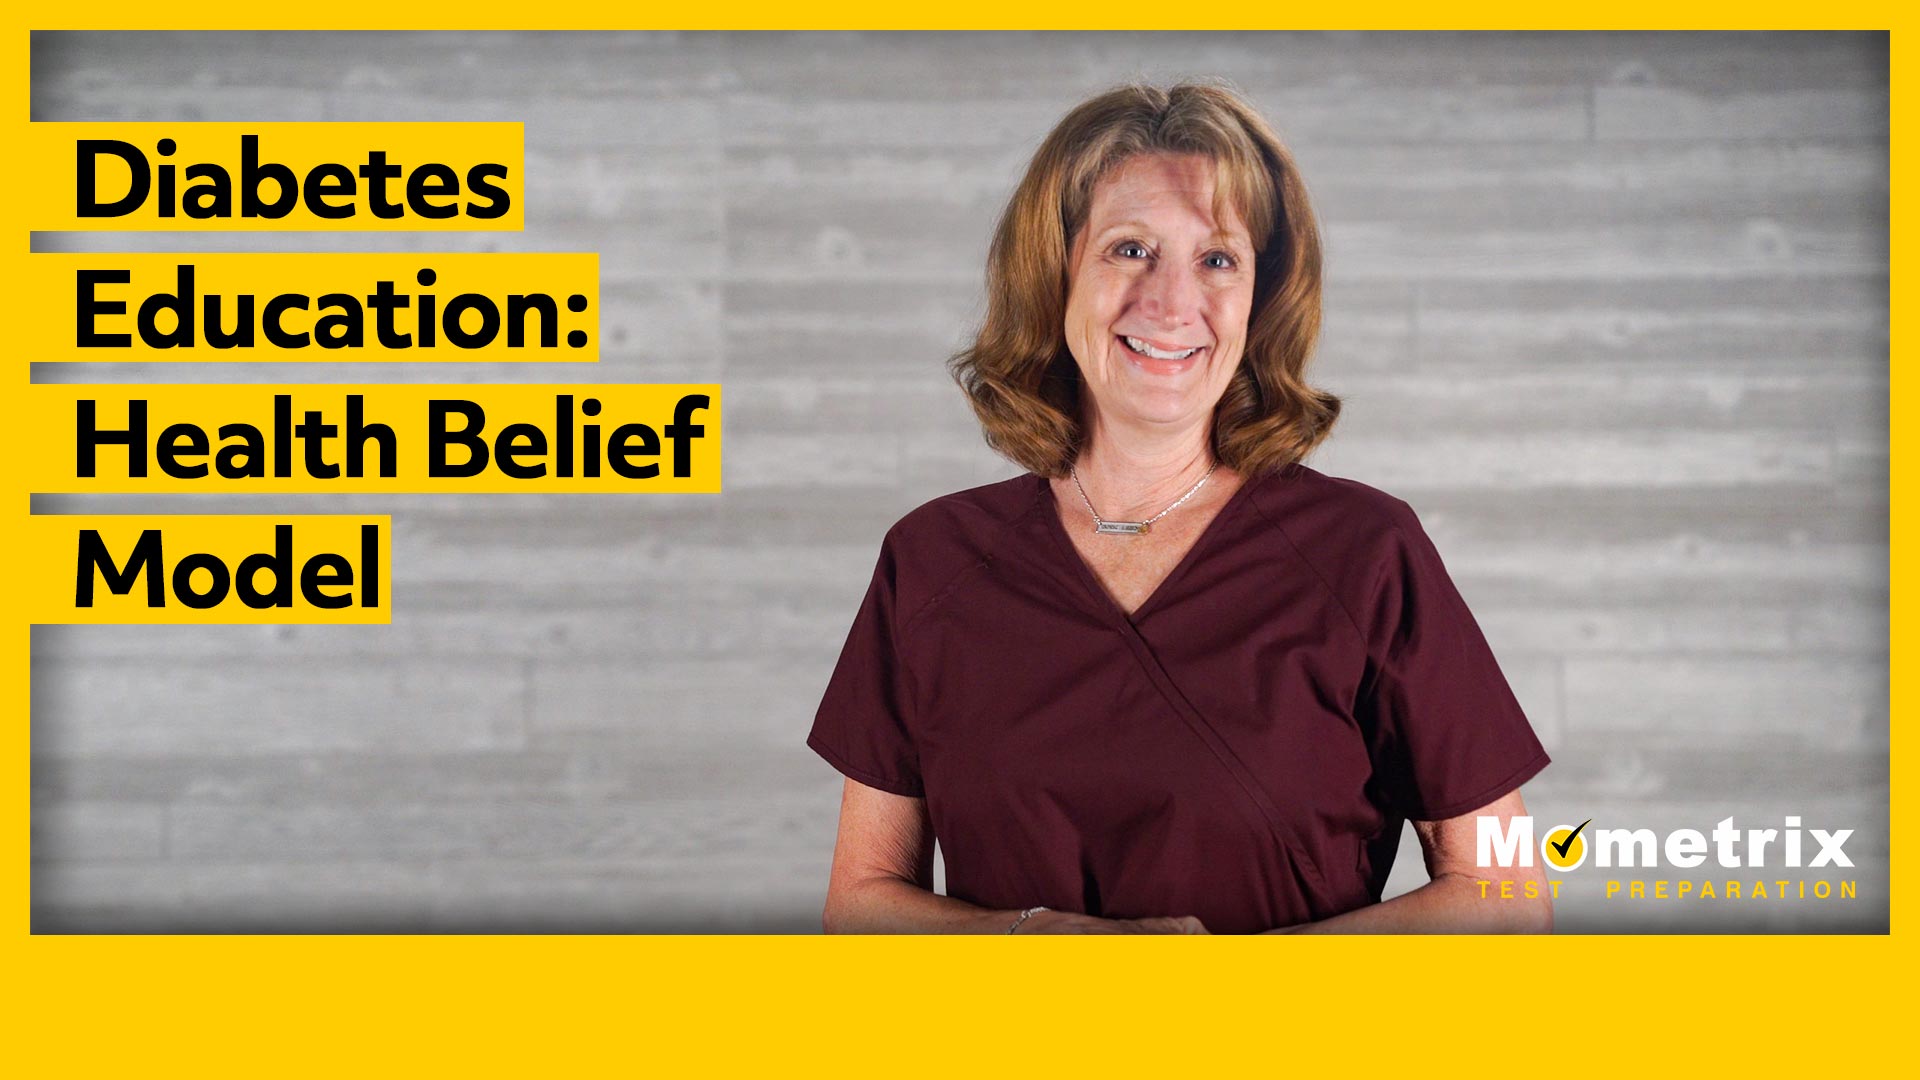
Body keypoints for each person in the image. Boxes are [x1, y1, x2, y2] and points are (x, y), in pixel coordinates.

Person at [806, 82, 1552, 934]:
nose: (1171, 303)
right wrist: (1036, 945)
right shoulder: (933, 560)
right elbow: (859, 910)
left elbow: (1507, 899)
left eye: (1217, 259)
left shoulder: (1368, 553)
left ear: (1259, 301)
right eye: (1129, 250)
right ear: (1055, 276)